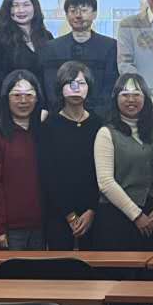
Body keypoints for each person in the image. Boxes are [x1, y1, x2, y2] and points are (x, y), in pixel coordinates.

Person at [91, 74, 153, 251]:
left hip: (152, 215)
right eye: (124, 95)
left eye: (137, 94)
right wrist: (136, 215)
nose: (131, 99)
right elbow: (105, 182)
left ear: (146, 98)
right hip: (117, 216)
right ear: (115, 98)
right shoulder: (106, 133)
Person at [37, 61, 103, 250]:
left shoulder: (99, 124)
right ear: (60, 87)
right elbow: (48, 174)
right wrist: (70, 215)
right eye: (70, 83)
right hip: (58, 211)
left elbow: (102, 172)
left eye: (81, 83)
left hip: (94, 211)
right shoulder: (49, 125)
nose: (76, 89)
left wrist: (92, 210)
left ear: (89, 87)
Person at [0, 70, 46, 249]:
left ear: (37, 99)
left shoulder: (44, 134)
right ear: (6, 99)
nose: (23, 101)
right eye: (16, 95)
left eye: (29, 95)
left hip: (42, 227)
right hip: (9, 230)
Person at [38, 0, 119, 120]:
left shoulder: (110, 46)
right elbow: (50, 88)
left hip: (99, 119)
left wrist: (95, 116)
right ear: (66, 15)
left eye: (84, 10)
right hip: (61, 118)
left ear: (95, 13)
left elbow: (110, 86)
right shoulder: (52, 48)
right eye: (73, 10)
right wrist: (65, 114)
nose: (78, 15)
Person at [0, 0, 53, 117]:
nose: (21, 10)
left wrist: (46, 107)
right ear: (8, 9)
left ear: (35, 7)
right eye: (15, 5)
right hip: (9, 109)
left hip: (42, 110)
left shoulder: (47, 37)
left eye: (26, 5)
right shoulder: (0, 38)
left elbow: (50, 76)